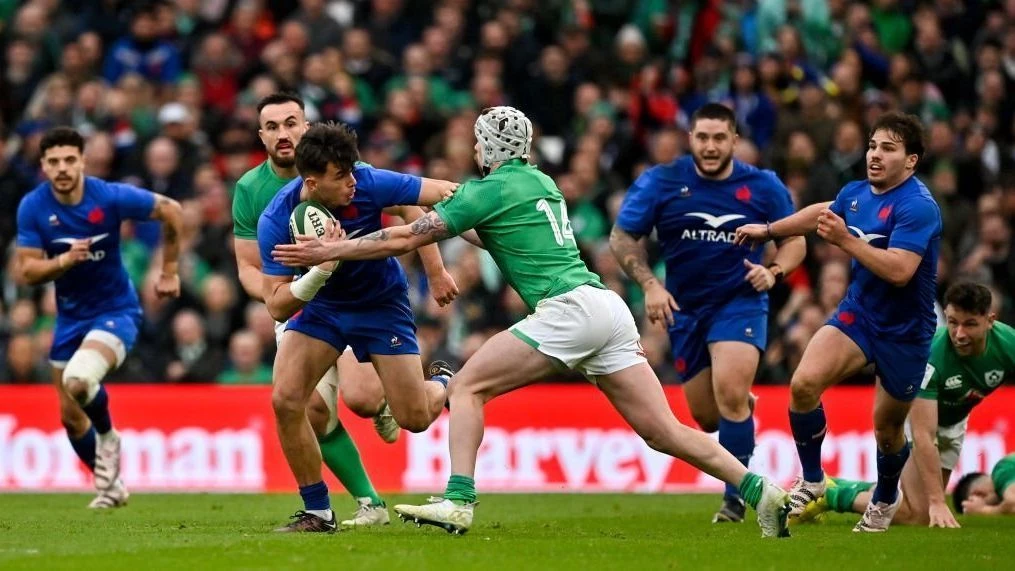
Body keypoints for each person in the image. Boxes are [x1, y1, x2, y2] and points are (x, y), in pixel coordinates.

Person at [272, 106, 792, 538]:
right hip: (606, 307)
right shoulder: (540, 182)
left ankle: (458, 500)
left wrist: (332, 248)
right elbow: (482, 233)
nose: (475, 154)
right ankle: (761, 490)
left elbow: (407, 237)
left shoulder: (488, 189)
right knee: (664, 431)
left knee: (469, 387)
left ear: (488, 149)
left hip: (567, 309)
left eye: (478, 145)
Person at [234, 92, 450, 527]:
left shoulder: (368, 181)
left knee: (412, 418)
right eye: (341, 175)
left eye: (291, 123)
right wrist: (318, 273)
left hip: (380, 305)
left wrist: (483, 203)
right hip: (322, 309)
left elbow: (441, 193)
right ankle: (318, 509)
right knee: (287, 400)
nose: (352, 181)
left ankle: (443, 382)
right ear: (312, 183)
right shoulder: (275, 217)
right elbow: (276, 305)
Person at [735, 111, 942, 532]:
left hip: (905, 332)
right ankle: (813, 480)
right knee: (803, 384)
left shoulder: (919, 207)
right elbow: (821, 214)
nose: (875, 155)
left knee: (887, 431)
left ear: (911, 161)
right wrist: (770, 230)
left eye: (888, 148)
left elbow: (900, 271)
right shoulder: (856, 193)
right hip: (859, 314)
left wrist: (845, 240)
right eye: (872, 145)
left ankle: (885, 498)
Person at [610, 103, 806, 523]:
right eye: (703, 137)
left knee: (731, 393)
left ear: (735, 140)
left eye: (720, 138)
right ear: (690, 139)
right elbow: (624, 236)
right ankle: (739, 417)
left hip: (740, 301)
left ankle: (735, 500)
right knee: (705, 414)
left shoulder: (763, 186)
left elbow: (796, 241)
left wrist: (774, 272)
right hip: (684, 308)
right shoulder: (662, 181)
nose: (711, 146)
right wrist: (650, 285)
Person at [14, 126, 183, 508]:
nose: (62, 168)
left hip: (116, 311)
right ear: (43, 165)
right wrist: (63, 260)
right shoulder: (33, 206)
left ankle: (108, 436)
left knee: (78, 381)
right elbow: (27, 271)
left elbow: (172, 210)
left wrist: (169, 270)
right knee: (71, 418)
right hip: (69, 319)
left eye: (69, 160)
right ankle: (112, 486)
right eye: (53, 161)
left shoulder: (107, 197)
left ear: (82, 162)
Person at [798, 282, 1015, 526]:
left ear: (990, 320)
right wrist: (937, 502)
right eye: (953, 322)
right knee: (918, 514)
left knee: (912, 506)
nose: (960, 334)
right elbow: (924, 435)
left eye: (970, 324)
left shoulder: (1009, 345)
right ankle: (830, 495)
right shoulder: (932, 358)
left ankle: (841, 486)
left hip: (955, 423)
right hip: (917, 418)